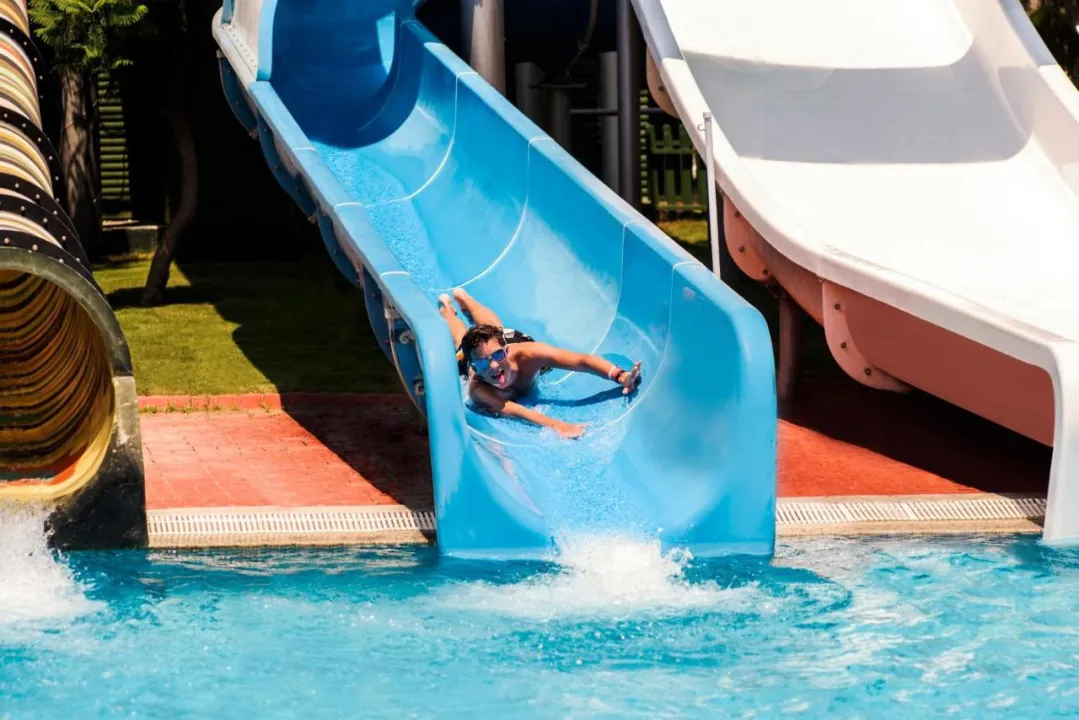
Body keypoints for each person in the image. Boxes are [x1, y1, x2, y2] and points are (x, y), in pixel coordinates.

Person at [438, 288, 642, 439]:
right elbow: (515, 410)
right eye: (483, 364)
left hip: (509, 340)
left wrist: (620, 376)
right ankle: (447, 309)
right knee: (462, 341)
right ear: (475, 368)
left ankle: (466, 300)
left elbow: (580, 361)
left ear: (506, 351)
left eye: (498, 356)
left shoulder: (530, 355)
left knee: (494, 330)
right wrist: (558, 425)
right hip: (477, 353)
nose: (493, 366)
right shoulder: (478, 390)